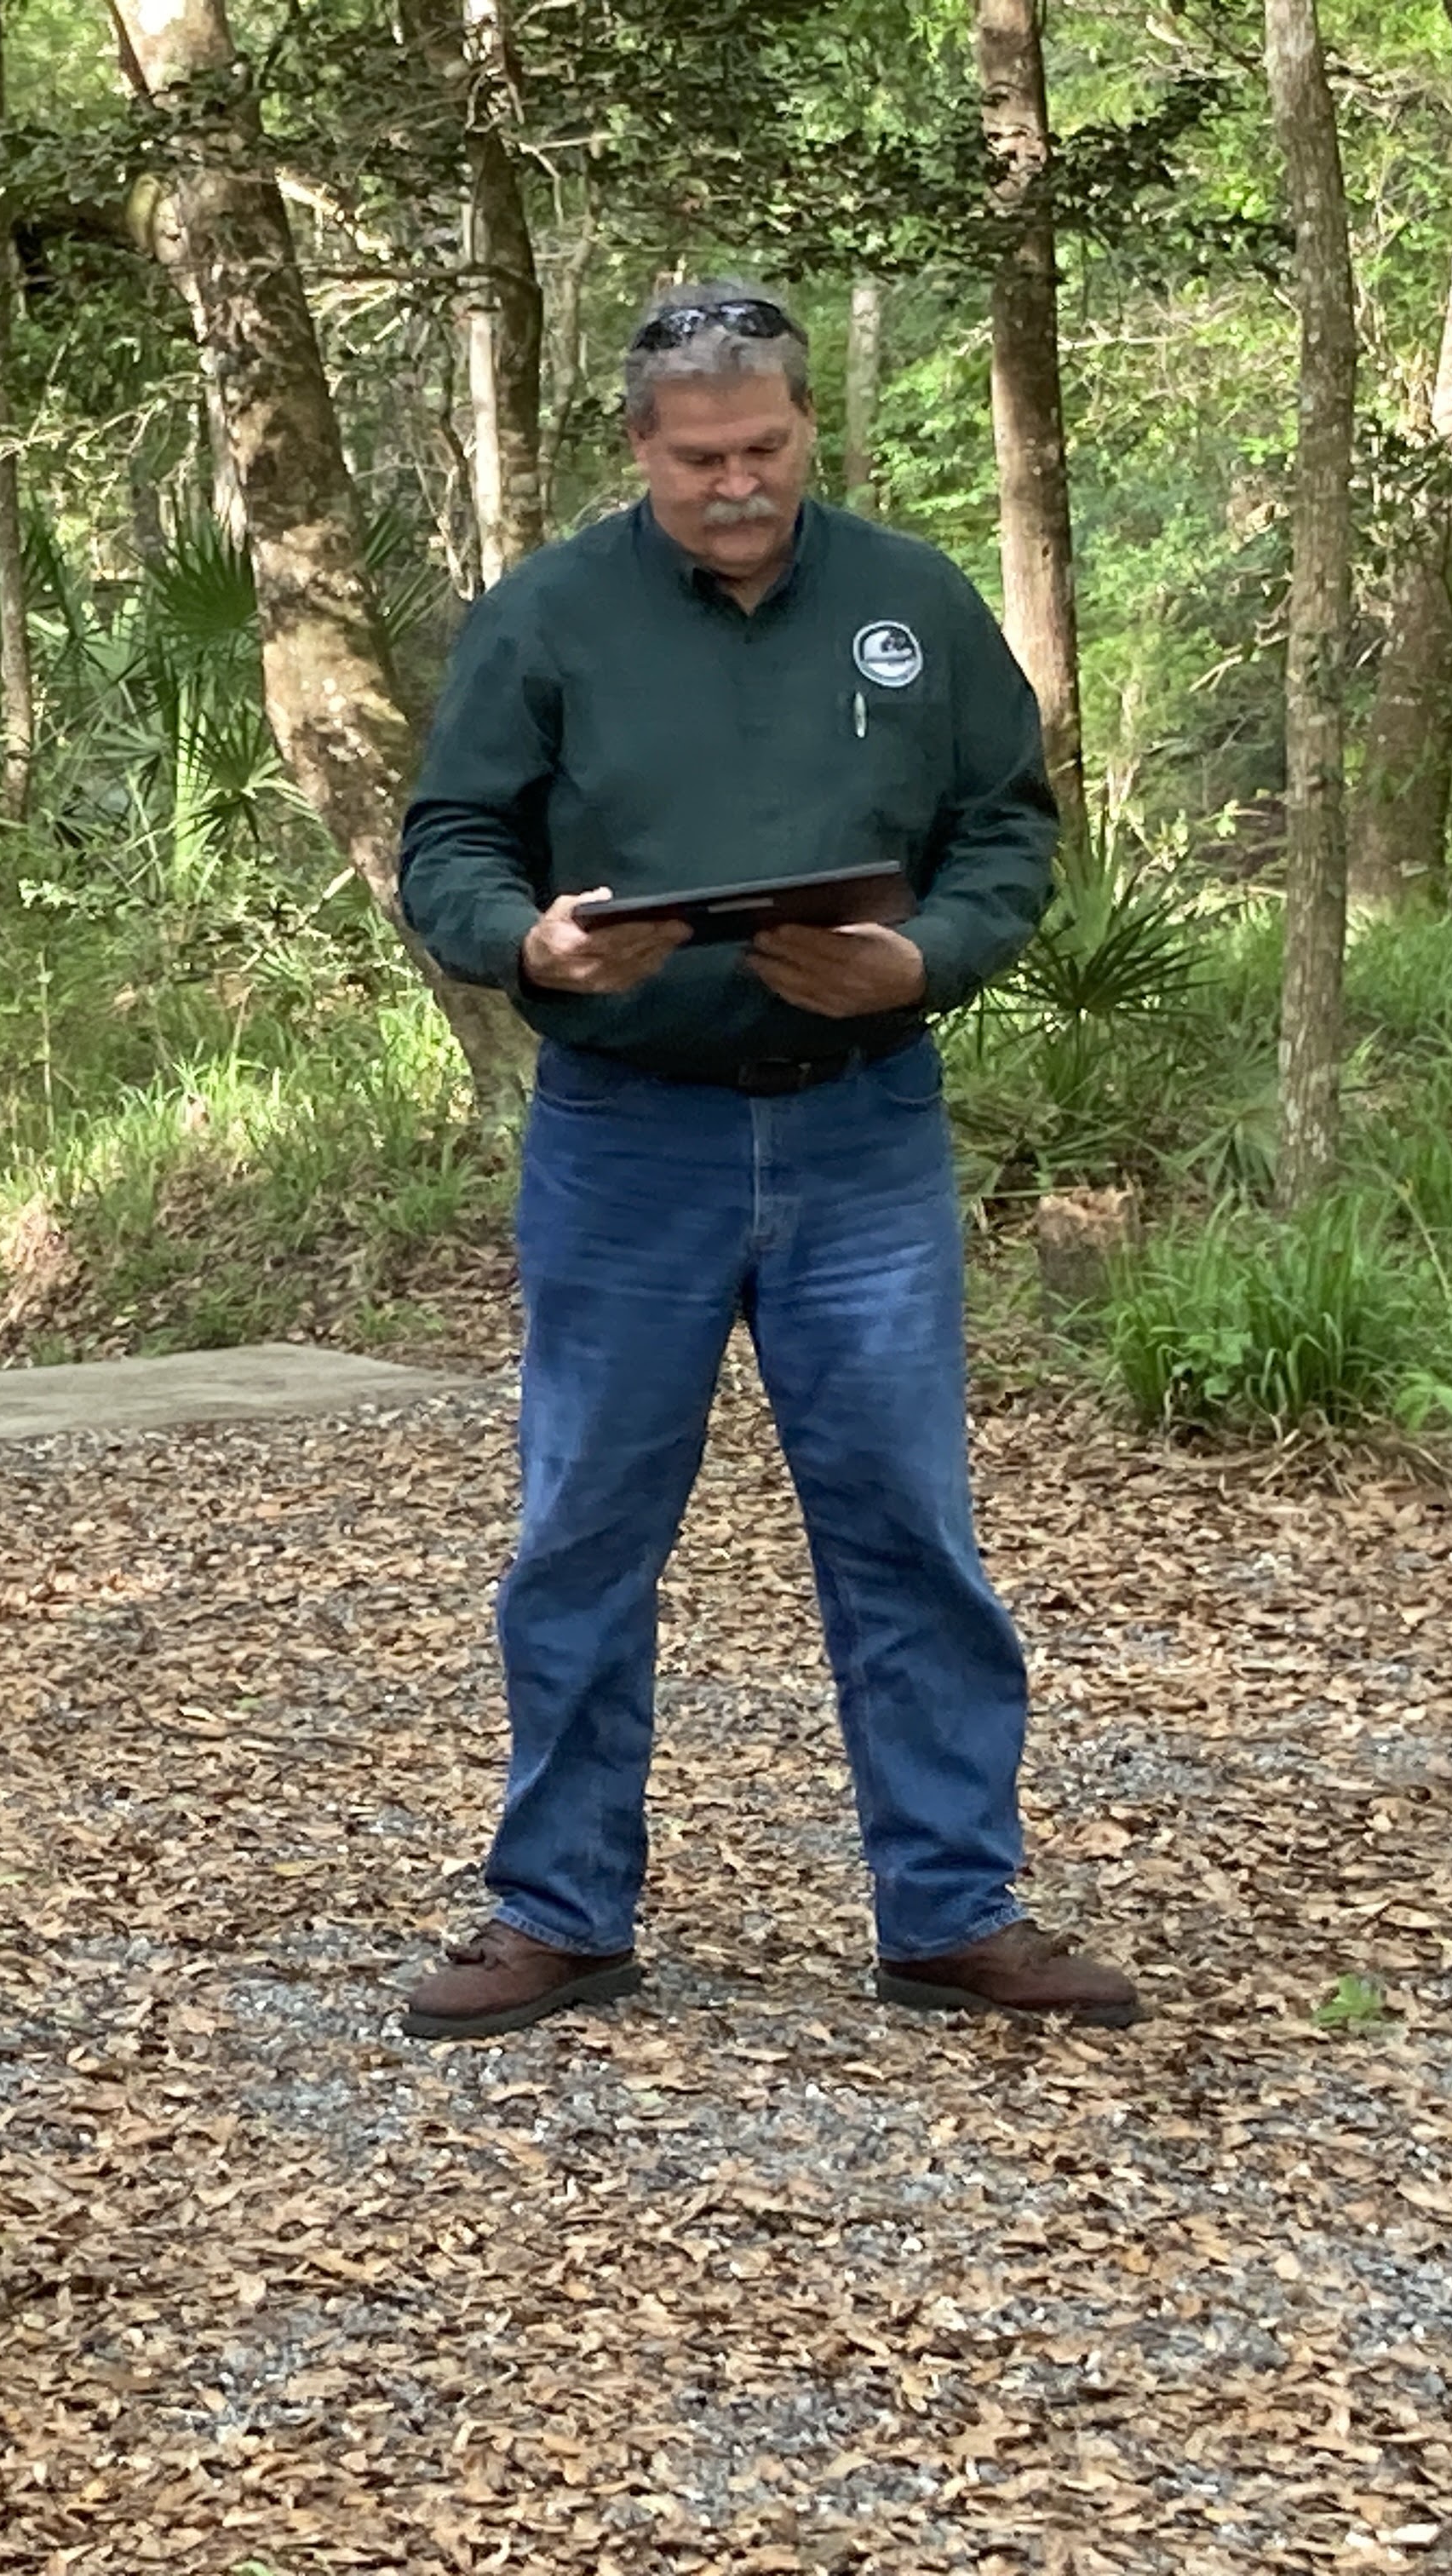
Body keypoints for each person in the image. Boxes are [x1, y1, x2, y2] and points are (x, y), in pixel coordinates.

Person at [393, 285, 1139, 2039]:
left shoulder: (911, 601)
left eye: (768, 450)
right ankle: (559, 1912)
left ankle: (951, 1909)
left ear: (810, 431)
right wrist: (532, 946)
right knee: (583, 1527)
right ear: (639, 454)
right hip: (625, 1133)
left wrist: (926, 958)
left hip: (859, 1123)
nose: (739, 486)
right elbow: (448, 843)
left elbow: (1007, 831)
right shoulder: (550, 617)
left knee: (906, 1528)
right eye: (702, 459)